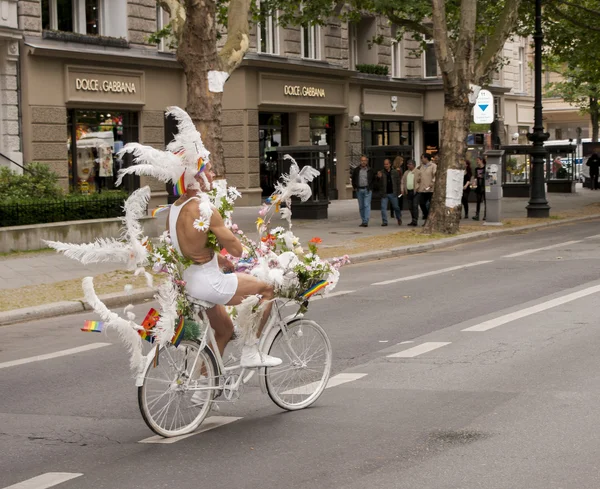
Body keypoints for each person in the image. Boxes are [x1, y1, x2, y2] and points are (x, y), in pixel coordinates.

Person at [166, 165, 282, 368]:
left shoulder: (174, 208)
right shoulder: (204, 208)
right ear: (197, 178)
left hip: (189, 283)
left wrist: (220, 259)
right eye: (208, 171)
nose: (212, 175)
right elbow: (237, 250)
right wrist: (229, 239)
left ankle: (203, 389)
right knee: (267, 289)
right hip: (210, 283)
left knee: (224, 330)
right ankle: (251, 350)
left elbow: (187, 247)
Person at [377, 158, 402, 226]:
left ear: (390, 164)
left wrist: (398, 192)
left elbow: (398, 182)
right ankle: (384, 221)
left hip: (393, 193)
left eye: (387, 164)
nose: (386, 165)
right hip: (385, 193)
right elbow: (378, 183)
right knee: (383, 208)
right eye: (385, 164)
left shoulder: (395, 172)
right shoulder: (381, 172)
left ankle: (399, 218)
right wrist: (379, 177)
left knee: (396, 207)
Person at [351, 155, 375, 227]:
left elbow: (373, 179)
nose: (363, 162)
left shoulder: (370, 170)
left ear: (367, 161)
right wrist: (355, 187)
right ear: (360, 161)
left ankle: (365, 221)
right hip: (359, 189)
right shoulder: (356, 170)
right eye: (362, 160)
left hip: (367, 189)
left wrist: (371, 187)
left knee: (366, 205)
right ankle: (363, 219)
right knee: (361, 206)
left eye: (365, 160)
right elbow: (353, 179)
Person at [415, 153, 437, 223]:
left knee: (430, 204)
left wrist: (432, 183)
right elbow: (418, 176)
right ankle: (426, 215)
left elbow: (435, 176)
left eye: (422, 158)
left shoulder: (433, 166)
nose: (421, 159)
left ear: (426, 158)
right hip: (422, 189)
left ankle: (430, 218)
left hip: (430, 189)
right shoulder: (421, 167)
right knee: (421, 203)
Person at [401, 159, 419, 226]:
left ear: (413, 165)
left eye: (409, 164)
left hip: (415, 191)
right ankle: (413, 219)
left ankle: (415, 220)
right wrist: (402, 189)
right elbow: (402, 181)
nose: (408, 165)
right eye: (407, 164)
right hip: (408, 191)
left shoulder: (418, 172)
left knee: (415, 205)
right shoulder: (406, 172)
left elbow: (420, 181)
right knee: (410, 206)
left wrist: (418, 188)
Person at [472, 156, 487, 221]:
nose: (477, 162)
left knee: (486, 202)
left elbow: (488, 177)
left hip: (485, 186)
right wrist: (474, 182)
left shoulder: (486, 168)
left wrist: (483, 176)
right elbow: (475, 177)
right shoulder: (476, 169)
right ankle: (477, 215)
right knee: (478, 201)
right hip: (479, 187)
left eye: (478, 160)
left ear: (481, 160)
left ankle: (485, 215)